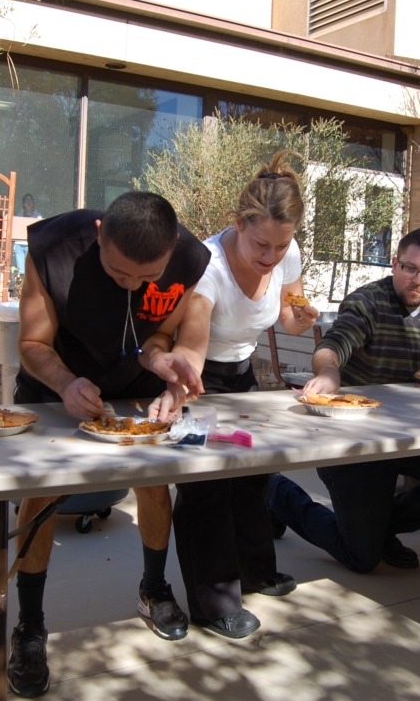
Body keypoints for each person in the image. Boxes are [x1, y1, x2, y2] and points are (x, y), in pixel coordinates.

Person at [10, 191, 210, 696]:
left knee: (154, 483)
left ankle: (154, 588)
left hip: (133, 384)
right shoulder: (53, 249)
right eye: (121, 274)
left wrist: (163, 365)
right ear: (99, 233)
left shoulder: (187, 259)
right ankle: (30, 625)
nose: (133, 286)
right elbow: (32, 344)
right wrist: (64, 384)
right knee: (40, 495)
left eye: (147, 279)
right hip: (56, 384)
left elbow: (159, 338)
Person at [266, 229, 420, 573]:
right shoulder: (368, 301)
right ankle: (275, 491)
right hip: (354, 442)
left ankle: (381, 526)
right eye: (409, 268)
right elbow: (334, 345)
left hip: (405, 439)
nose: (417, 279)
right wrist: (330, 372)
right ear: (394, 264)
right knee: (361, 557)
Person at [154, 153, 315, 638]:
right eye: (260, 244)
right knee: (206, 483)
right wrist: (183, 393)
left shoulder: (288, 252)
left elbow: (287, 314)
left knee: (252, 478)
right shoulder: (208, 265)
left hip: (243, 375)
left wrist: (300, 319)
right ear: (237, 223)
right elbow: (193, 344)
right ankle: (213, 601)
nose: (270, 257)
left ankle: (255, 571)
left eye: (280, 246)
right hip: (198, 375)